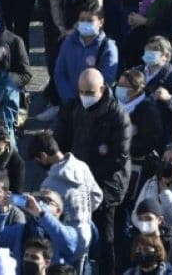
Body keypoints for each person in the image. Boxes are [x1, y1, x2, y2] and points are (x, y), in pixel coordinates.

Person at [55, 68, 130, 273]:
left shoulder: (117, 115)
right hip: (75, 182)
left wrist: (86, 177)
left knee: (105, 238)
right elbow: (60, 141)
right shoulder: (73, 108)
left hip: (106, 185)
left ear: (102, 89)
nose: (85, 97)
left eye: (89, 92)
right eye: (82, 92)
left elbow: (118, 157)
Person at [28, 130, 103, 251]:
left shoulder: (49, 185)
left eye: (38, 160)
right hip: (86, 233)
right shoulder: (82, 166)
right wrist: (83, 212)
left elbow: (48, 220)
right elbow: (97, 196)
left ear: (43, 156)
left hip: (64, 241)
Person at [53, 4, 118, 107]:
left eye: (90, 20)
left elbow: (107, 80)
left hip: (94, 106)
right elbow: (59, 73)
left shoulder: (108, 47)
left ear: (101, 22)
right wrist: (69, 98)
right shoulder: (68, 42)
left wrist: (86, 100)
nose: (84, 23)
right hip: (69, 104)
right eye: (82, 20)